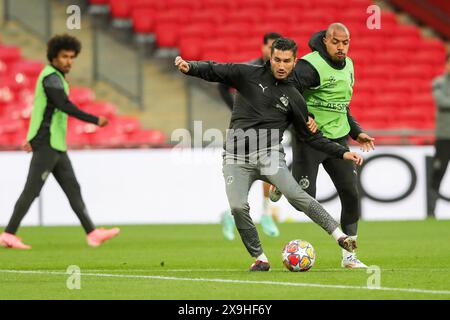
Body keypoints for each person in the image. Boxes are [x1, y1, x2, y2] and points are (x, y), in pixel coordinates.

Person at [175, 37, 364, 271]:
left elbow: (310, 137)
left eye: (286, 61)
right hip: (236, 158)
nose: (281, 65)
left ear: (295, 62)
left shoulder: (294, 97)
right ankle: (260, 258)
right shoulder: (247, 74)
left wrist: (342, 152)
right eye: (277, 60)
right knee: (237, 207)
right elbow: (216, 70)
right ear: (270, 59)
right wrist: (191, 67)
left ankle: (339, 236)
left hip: (269, 155)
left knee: (298, 196)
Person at [269, 23, 375, 269]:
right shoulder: (310, 66)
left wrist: (357, 132)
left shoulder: (349, 65)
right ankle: (281, 181)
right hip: (310, 139)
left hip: (337, 141)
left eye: (345, 42)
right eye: (335, 42)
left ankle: (349, 257)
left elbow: (341, 105)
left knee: (350, 194)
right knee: (305, 200)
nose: (340, 47)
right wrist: (306, 117)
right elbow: (287, 89)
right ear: (325, 40)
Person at [0, 34, 120, 249]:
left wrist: (33, 139)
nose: (69, 61)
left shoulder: (56, 77)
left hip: (55, 144)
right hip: (47, 144)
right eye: (65, 56)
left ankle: (92, 233)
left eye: (72, 57)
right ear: (53, 57)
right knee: (32, 189)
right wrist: (94, 119)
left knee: (73, 188)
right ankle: (9, 234)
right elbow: (63, 105)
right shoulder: (51, 78)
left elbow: (46, 111)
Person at [218, 32, 283, 240]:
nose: (274, 53)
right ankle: (231, 213)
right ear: (263, 48)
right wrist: (234, 110)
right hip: (245, 132)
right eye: (271, 47)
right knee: (244, 173)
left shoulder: (282, 73)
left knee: (270, 170)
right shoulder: (250, 69)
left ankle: (265, 214)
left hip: (269, 130)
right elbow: (222, 84)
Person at [429, 53, 450, 216]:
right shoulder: (439, 83)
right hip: (444, 137)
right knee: (438, 172)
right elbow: (442, 102)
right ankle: (431, 212)